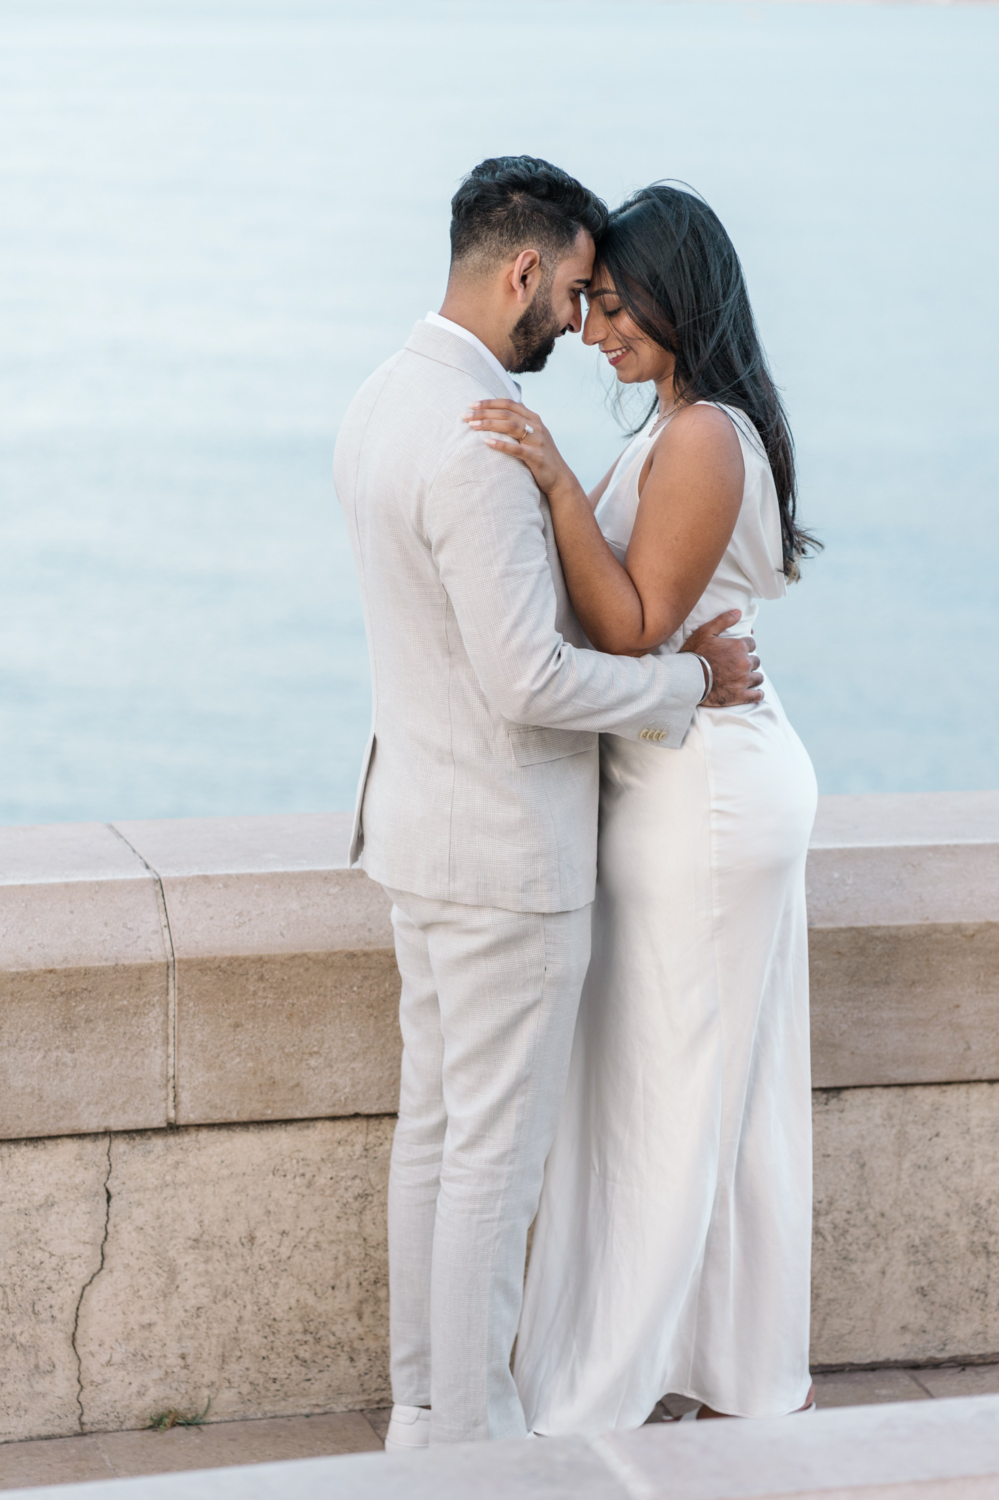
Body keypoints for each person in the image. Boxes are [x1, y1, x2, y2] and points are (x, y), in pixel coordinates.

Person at [333, 159, 762, 1447]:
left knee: (435, 1139)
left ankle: (422, 1415)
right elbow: (527, 681)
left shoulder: (381, 397)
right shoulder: (475, 446)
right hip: (503, 857)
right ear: (520, 269)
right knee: (490, 1168)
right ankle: (468, 1445)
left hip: (415, 831)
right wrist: (686, 679)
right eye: (573, 291)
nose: (577, 323)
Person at [466, 183, 819, 1431]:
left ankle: (607, 1385)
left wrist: (554, 481)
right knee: (681, 1084)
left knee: (672, 1090)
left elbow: (628, 624)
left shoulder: (704, 435)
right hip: (683, 774)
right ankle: (710, 1365)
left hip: (707, 795)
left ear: (679, 297)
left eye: (616, 305)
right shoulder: (674, 425)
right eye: (590, 301)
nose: (594, 329)